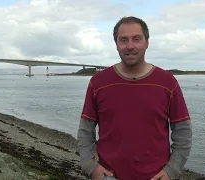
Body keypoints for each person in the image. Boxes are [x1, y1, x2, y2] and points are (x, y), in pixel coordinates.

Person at [77, 16, 192, 180]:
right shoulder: (98, 83)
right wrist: (90, 166)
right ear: (116, 44)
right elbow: (85, 131)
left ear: (147, 42)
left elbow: (183, 133)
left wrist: (172, 170)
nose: (130, 46)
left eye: (137, 39)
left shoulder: (167, 83)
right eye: (123, 40)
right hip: (108, 176)